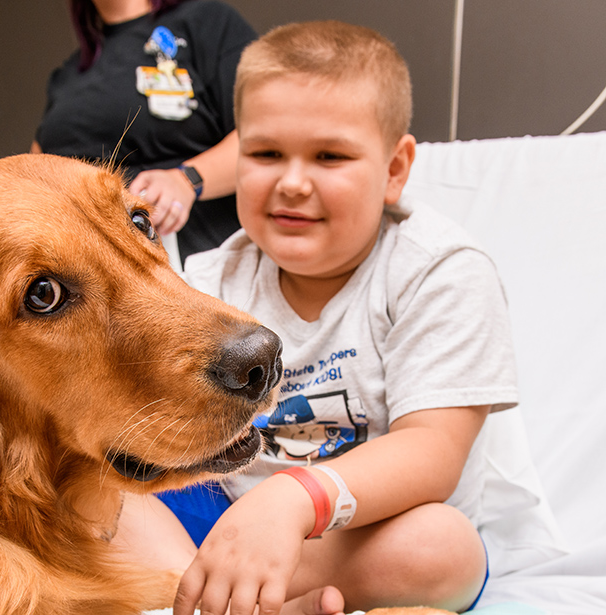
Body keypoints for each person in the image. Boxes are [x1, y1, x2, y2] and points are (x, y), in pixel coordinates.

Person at [113, 21, 521, 615]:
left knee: (445, 547)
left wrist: (294, 498)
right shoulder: (209, 281)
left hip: (355, 531)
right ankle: (237, 596)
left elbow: (432, 451)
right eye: (265, 154)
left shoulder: (440, 271)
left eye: (329, 156)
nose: (293, 182)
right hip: (216, 524)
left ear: (395, 170)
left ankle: (223, 597)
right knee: (92, 492)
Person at [31, 0, 255, 263]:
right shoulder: (67, 76)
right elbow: (33, 177)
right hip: (92, 277)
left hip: (198, 269)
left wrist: (187, 180)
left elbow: (265, 136)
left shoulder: (205, 21)